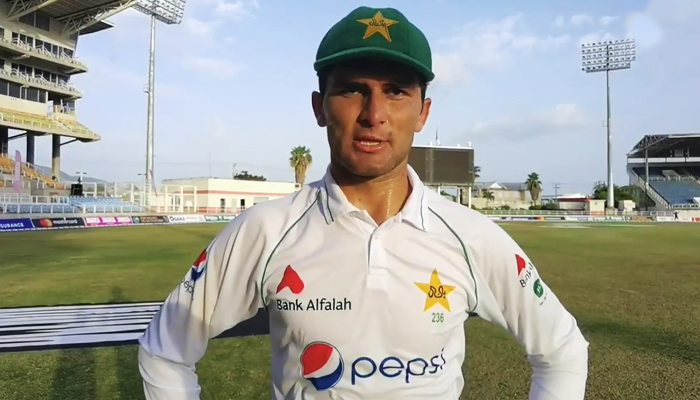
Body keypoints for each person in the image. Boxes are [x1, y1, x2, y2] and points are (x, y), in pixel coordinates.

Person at [138, 6, 589, 400]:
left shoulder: (469, 235)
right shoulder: (267, 230)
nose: (374, 113)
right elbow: (166, 349)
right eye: (353, 89)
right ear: (319, 108)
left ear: (422, 113)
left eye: (396, 91)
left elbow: (562, 349)